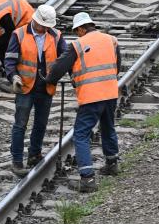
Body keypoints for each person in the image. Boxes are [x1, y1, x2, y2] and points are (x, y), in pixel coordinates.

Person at [46, 12, 122, 193]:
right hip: (110, 92)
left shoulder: (78, 45)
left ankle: (87, 179)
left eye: (77, 31)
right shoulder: (111, 40)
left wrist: (48, 79)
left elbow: (58, 68)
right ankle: (112, 164)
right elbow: (118, 66)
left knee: (80, 135)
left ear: (81, 29)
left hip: (91, 96)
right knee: (108, 126)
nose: (77, 34)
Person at [4, 4, 67, 177]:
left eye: (48, 26)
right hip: (25, 87)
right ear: (35, 20)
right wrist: (14, 77)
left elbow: (65, 58)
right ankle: (17, 161)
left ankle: (34, 154)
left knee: (41, 123)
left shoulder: (56, 35)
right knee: (20, 124)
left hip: (46, 86)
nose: (45, 28)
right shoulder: (19, 34)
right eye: (43, 25)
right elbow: (9, 60)